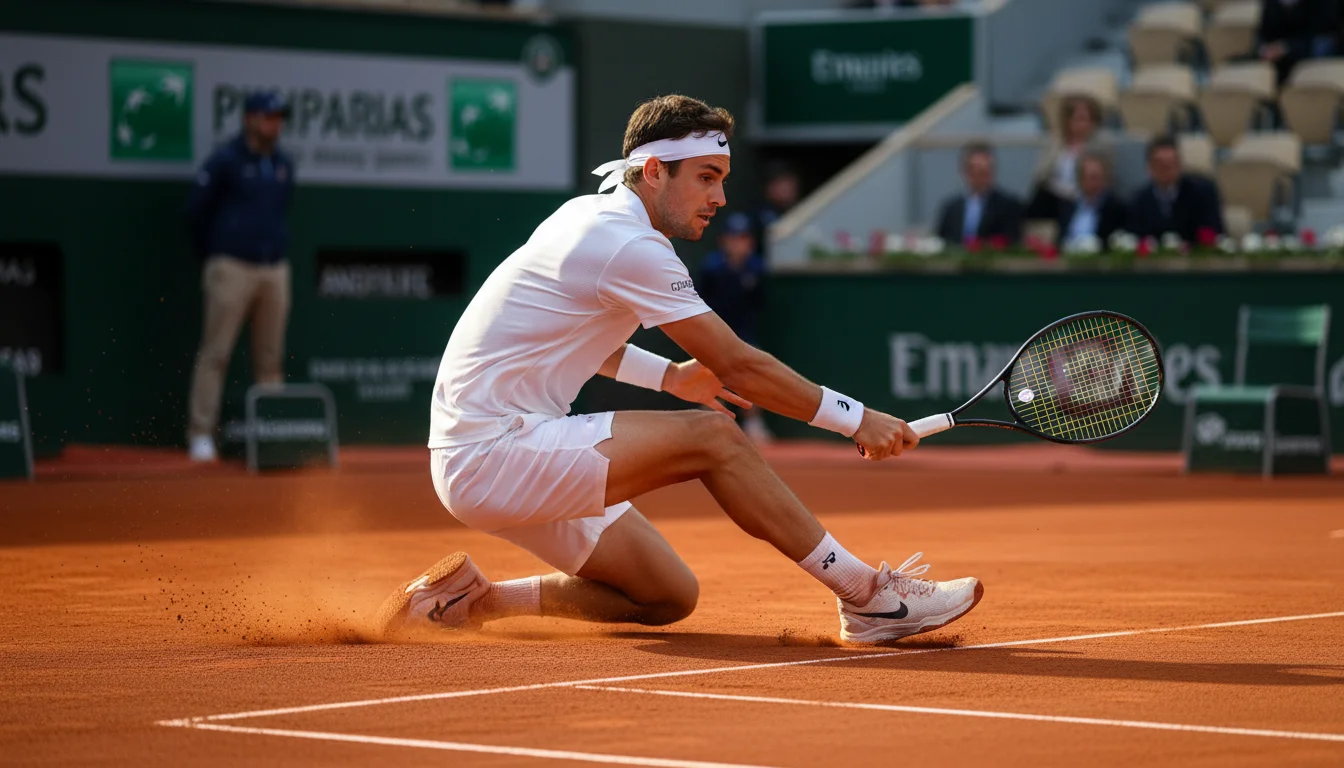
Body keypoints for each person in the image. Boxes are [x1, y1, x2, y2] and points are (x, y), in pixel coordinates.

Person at [375, 95, 982, 644]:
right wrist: (857, 420)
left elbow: (570, 341)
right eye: (706, 178)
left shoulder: (590, 217)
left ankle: (468, 604)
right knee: (715, 439)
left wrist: (670, 378)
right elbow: (739, 364)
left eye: (721, 179)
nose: (718, 198)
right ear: (654, 171)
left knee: (667, 595)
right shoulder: (626, 244)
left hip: (495, 453)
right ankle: (869, 597)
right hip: (492, 453)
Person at [183, 91, 295, 462]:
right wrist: (218, 252)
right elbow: (195, 212)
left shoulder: (283, 164)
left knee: (270, 359)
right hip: (230, 267)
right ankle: (201, 434)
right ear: (249, 119)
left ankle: (273, 437)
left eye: (278, 117)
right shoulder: (225, 161)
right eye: (267, 116)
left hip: (274, 269)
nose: (274, 123)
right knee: (215, 353)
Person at [696, 212, 772, 444]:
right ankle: (707, 425)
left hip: (745, 334)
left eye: (743, 238)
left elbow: (760, 303)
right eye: (733, 237)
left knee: (751, 379)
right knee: (709, 378)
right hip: (714, 335)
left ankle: (754, 424)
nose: (738, 243)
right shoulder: (711, 268)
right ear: (723, 241)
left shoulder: (757, 269)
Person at [1126, 135, 1225, 245]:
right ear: (1149, 167)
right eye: (1160, 164)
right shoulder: (1138, 200)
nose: (1166, 169)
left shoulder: (1202, 193)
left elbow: (1214, 233)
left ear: (1180, 165)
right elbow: (1134, 239)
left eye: (1171, 163)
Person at [1026, 96, 1106, 220]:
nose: (1083, 124)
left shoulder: (1099, 146)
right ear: (1068, 120)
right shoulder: (1055, 144)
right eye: (1079, 119)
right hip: (1054, 196)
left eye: (1087, 119)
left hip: (1080, 197)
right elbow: (1040, 174)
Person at [935, 142, 1024, 247]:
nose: (981, 177)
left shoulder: (1009, 206)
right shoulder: (951, 208)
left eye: (985, 171)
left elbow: (1011, 240)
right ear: (966, 172)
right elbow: (941, 241)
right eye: (976, 171)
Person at [1056, 152, 1128, 250]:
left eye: (1100, 177)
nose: (1096, 183)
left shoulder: (1116, 207)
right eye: (1092, 177)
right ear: (1081, 179)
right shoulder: (1068, 205)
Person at [1255, 0, 1339, 84]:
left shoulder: (1323, 3)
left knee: (1322, 45)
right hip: (1279, 59)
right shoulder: (1272, 4)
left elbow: (1323, 33)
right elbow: (1265, 34)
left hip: (1311, 52)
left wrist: (1286, 47)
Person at [750, 160, 801, 261]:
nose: (785, 187)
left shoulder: (803, 209)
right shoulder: (759, 216)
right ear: (769, 188)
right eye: (779, 183)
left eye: (787, 181)